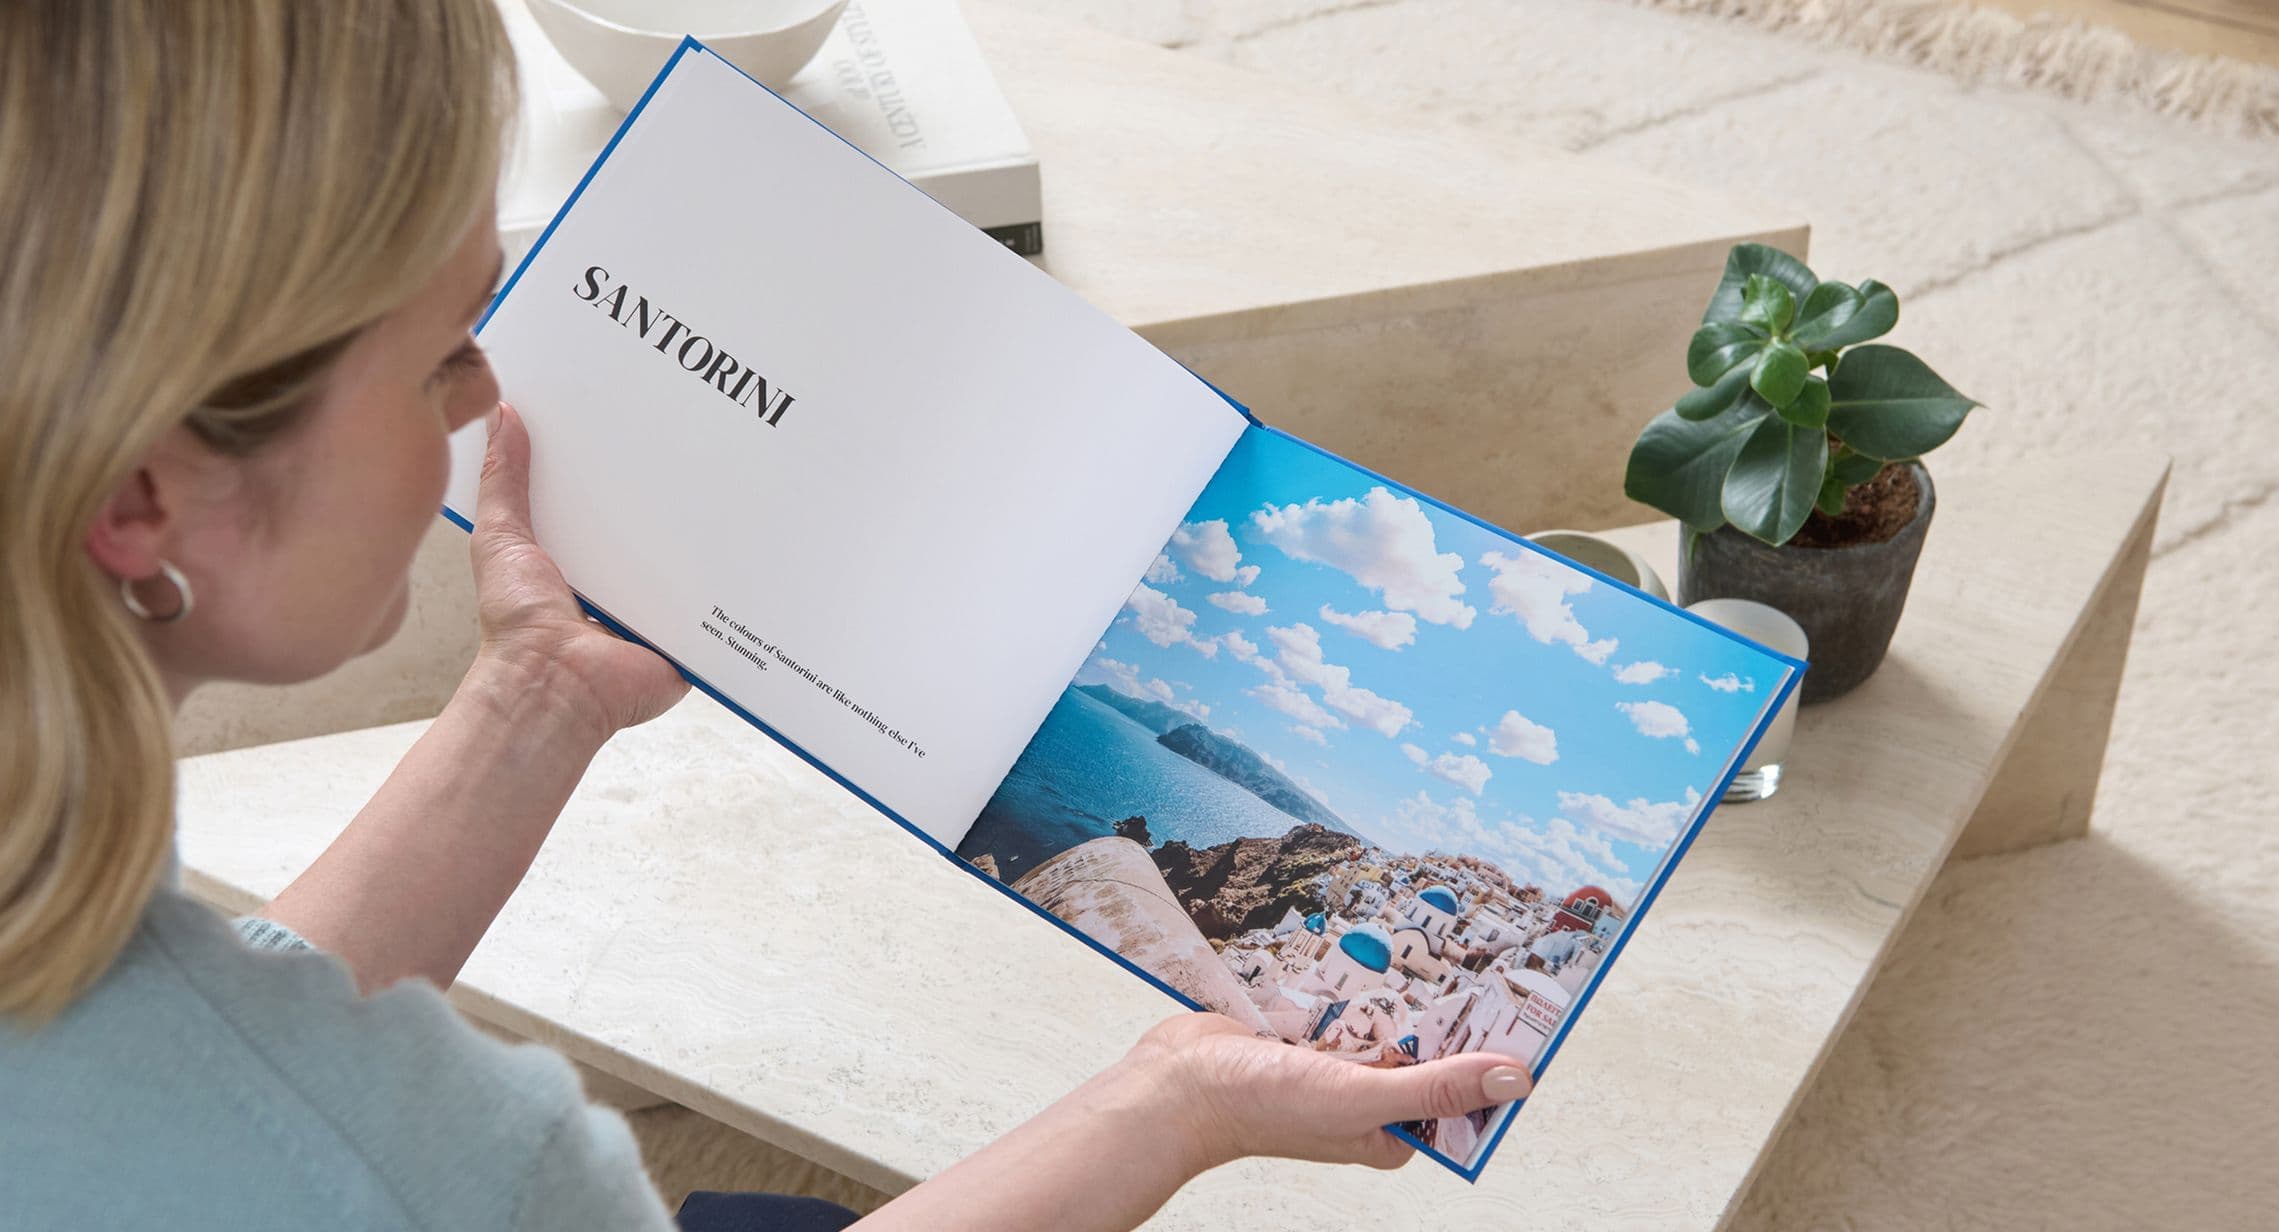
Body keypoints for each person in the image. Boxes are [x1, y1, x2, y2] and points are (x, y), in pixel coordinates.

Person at [0, 2, 1532, 1229]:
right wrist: (1172, 1107)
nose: (491, 393)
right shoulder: (454, 1164)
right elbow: (289, 1116)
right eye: (438, 359)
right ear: (143, 493)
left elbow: (222, 1047)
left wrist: (541, 688)